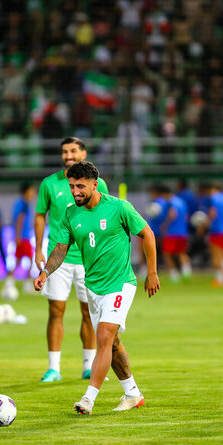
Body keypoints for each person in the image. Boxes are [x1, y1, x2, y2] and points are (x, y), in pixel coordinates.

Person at [34, 161, 160, 414]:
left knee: (103, 336)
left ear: (94, 184)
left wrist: (152, 272)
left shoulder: (119, 207)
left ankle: (88, 399)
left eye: (80, 186)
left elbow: (147, 234)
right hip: (94, 288)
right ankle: (133, 393)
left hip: (120, 284)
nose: (75, 191)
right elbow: (61, 248)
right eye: (71, 186)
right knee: (112, 344)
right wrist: (46, 272)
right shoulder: (70, 213)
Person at [34, 137, 109, 382]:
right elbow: (39, 216)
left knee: (90, 313)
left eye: (74, 151)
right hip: (60, 259)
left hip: (89, 258)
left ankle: (88, 366)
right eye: (65, 152)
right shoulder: (49, 184)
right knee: (56, 310)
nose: (69, 156)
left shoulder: (101, 185)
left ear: (84, 153)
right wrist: (38, 249)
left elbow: (106, 218)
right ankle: (53, 368)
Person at [203, 182, 223, 287]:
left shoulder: (214, 198)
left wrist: (205, 223)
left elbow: (213, 213)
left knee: (216, 254)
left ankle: (220, 279)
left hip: (216, 230)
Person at [160, 187, 191, 282]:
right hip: (182, 232)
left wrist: (164, 225)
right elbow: (186, 216)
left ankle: (174, 275)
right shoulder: (181, 202)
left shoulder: (170, 202)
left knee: (167, 253)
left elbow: (172, 214)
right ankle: (187, 272)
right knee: (181, 252)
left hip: (172, 232)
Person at [10, 182, 36, 293]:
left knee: (18, 260)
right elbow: (19, 219)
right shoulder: (24, 204)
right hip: (23, 237)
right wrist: (18, 236)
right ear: (26, 192)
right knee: (30, 260)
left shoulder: (20, 203)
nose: (33, 193)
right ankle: (27, 284)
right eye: (32, 190)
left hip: (22, 236)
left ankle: (9, 281)